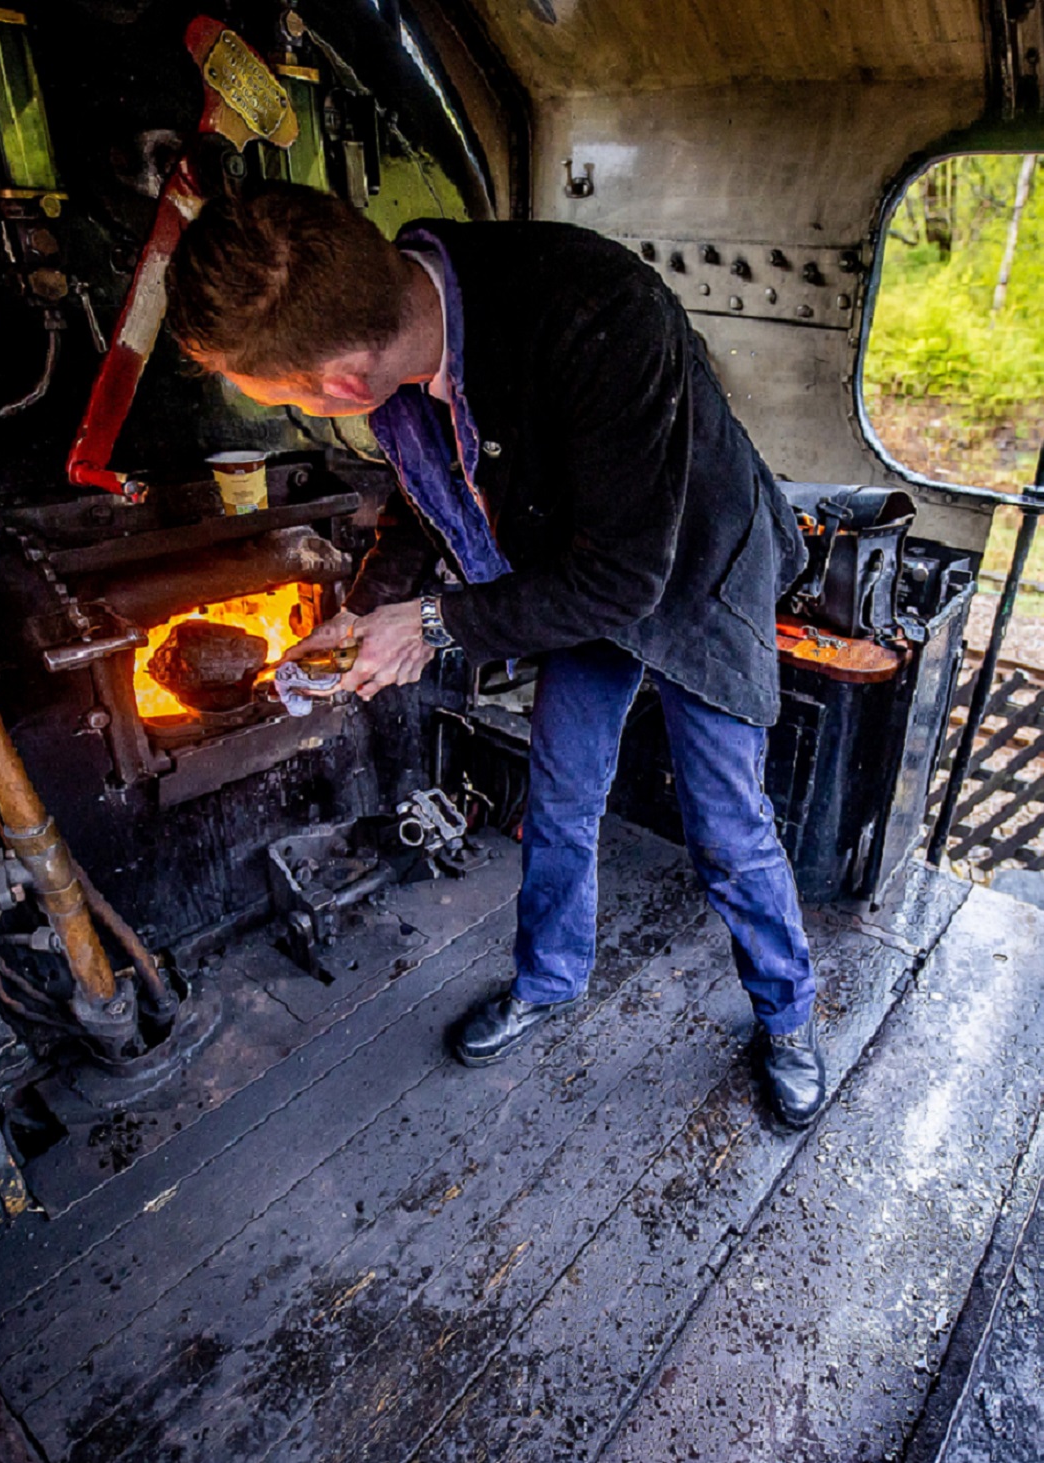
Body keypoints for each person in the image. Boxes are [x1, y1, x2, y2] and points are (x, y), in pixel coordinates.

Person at [166, 183, 827, 1127]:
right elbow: (429, 491)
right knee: (560, 796)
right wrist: (369, 611)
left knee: (726, 825)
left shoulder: (599, 310)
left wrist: (431, 623)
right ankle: (551, 977)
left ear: (346, 384)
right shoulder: (402, 310)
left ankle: (789, 1015)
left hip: (689, 574)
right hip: (576, 567)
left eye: (280, 397)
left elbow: (626, 579)